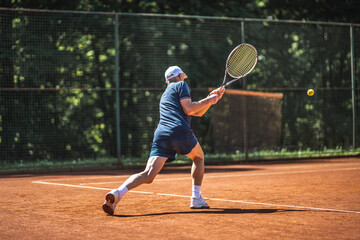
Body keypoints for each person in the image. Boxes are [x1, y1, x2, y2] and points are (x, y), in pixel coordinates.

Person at [102, 66, 224, 215]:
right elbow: (190, 109)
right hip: (179, 131)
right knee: (198, 158)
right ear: (179, 76)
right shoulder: (181, 85)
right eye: (182, 77)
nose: (183, 79)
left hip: (161, 135)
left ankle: (117, 193)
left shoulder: (166, 94)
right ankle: (196, 198)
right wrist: (208, 99)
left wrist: (211, 100)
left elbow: (196, 113)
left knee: (148, 174)